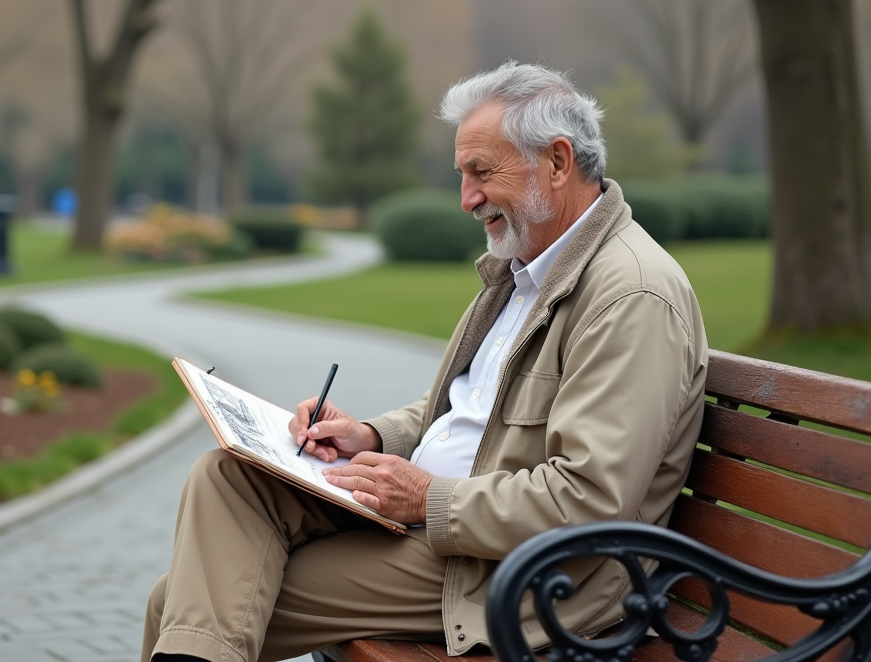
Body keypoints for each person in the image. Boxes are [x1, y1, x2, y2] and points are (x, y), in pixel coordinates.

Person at [141, 61, 708, 662]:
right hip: (444, 529)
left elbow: (589, 501)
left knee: (177, 605)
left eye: (481, 172)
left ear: (558, 162)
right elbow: (468, 413)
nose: (467, 199)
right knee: (228, 477)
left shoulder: (631, 295)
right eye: (463, 175)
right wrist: (368, 436)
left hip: (525, 574)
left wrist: (428, 499)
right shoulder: (525, 270)